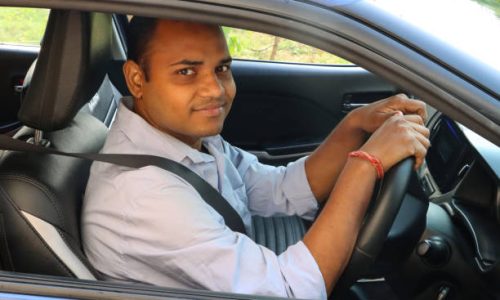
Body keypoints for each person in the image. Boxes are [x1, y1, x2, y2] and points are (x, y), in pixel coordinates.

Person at [82, 17, 430, 299]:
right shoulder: (146, 196)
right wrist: (365, 163)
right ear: (137, 79)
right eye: (186, 72)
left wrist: (355, 124)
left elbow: (277, 190)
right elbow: (291, 291)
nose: (216, 90)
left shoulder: (184, 138)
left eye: (222, 68)